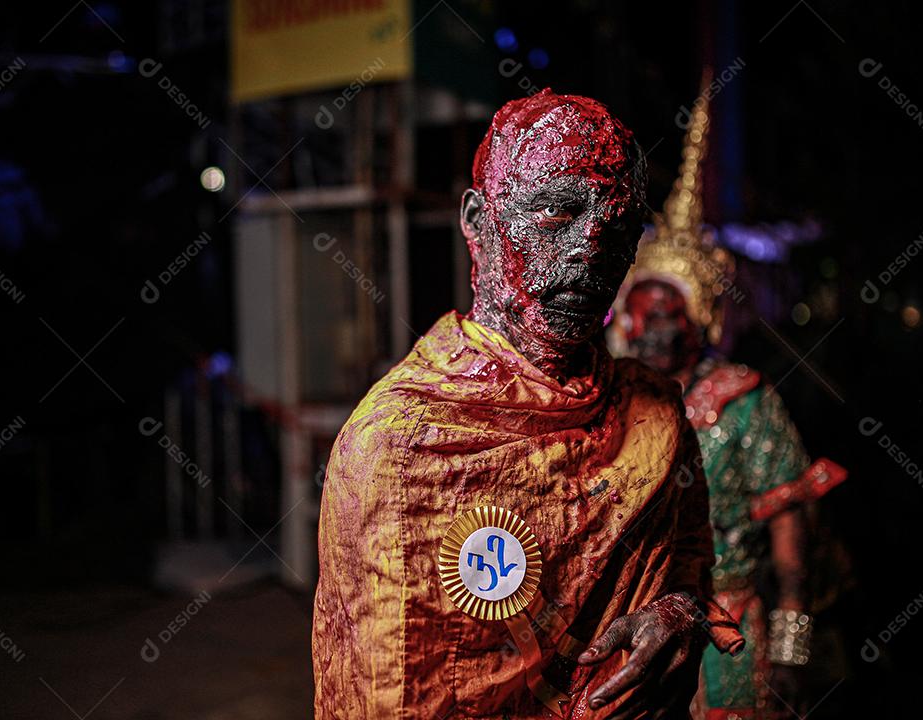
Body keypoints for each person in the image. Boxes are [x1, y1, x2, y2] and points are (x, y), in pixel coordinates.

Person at [313, 88, 744, 720]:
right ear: (478, 220)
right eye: (558, 213)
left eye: (619, 228)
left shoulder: (653, 411)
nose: (590, 252)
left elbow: (691, 569)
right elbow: (379, 692)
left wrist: (676, 614)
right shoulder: (400, 445)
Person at [609, 88, 846, 720]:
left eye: (671, 315)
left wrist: (794, 648)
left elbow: (789, 535)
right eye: (643, 315)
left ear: (702, 321)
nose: (655, 330)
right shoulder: (612, 397)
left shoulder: (742, 402)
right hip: (627, 628)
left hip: (728, 629)